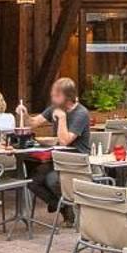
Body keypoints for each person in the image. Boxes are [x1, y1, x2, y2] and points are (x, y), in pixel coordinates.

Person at [21, 76, 92, 211]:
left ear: (68, 96)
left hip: (76, 162)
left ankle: (70, 211)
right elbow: (33, 123)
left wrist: (62, 117)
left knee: (52, 180)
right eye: (53, 95)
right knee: (32, 181)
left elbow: (64, 141)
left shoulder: (81, 113)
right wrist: (24, 114)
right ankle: (62, 207)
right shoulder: (55, 107)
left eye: (57, 95)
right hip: (57, 159)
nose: (53, 98)